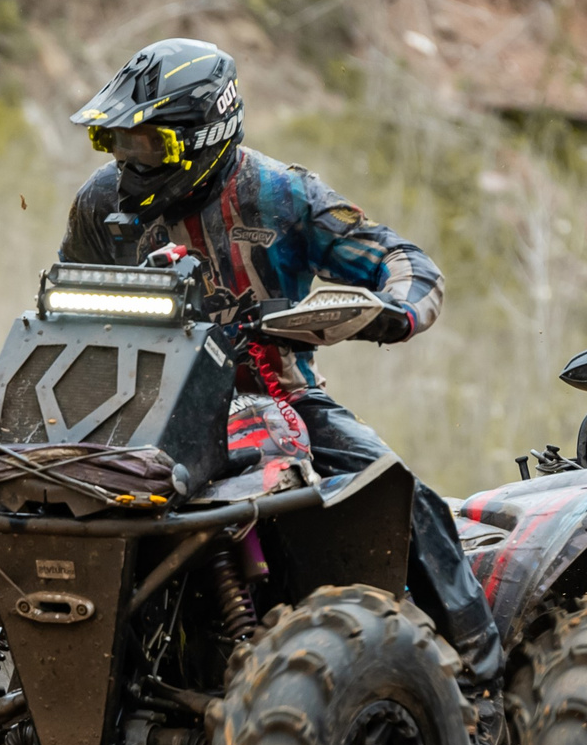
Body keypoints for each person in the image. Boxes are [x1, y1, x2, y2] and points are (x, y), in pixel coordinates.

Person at [61, 38, 504, 683]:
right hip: (132, 407)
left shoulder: (281, 195)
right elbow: (60, 309)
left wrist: (392, 311)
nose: (129, 162)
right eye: (117, 144)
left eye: (147, 144)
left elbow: (404, 261)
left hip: (277, 397)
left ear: (205, 132)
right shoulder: (101, 203)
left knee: (401, 497)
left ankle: (479, 684)